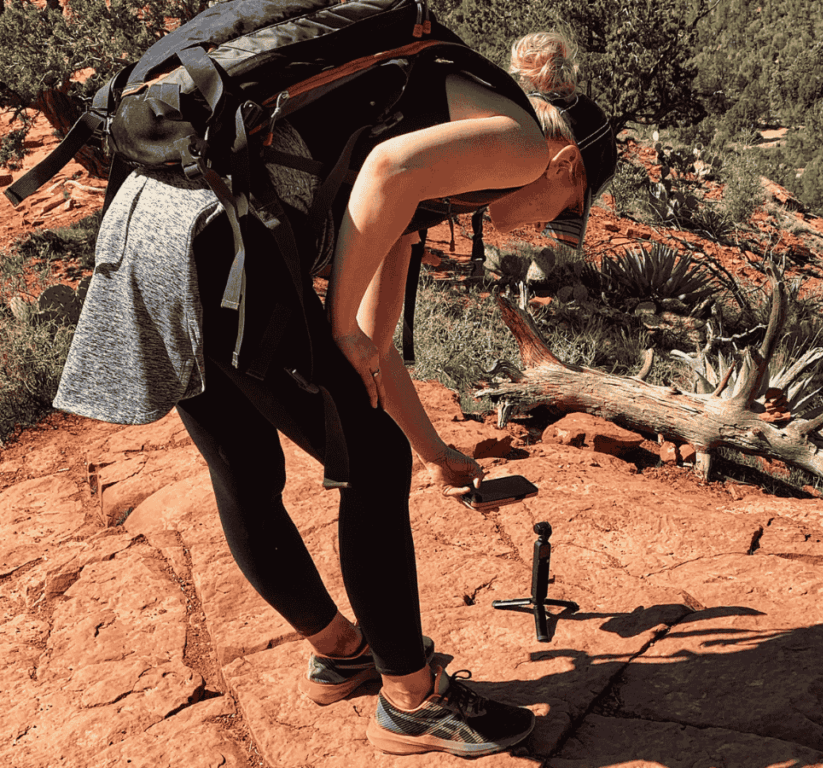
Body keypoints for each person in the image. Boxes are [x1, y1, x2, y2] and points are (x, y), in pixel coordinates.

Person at [53, 29, 615, 757]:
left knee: (248, 466)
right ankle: (413, 701)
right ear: (564, 162)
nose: (545, 229)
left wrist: (435, 450)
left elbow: (373, 356)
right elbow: (385, 174)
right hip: (218, 237)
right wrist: (339, 320)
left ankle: (341, 651)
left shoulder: (432, 151)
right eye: (564, 207)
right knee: (368, 462)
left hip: (151, 219)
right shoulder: (520, 143)